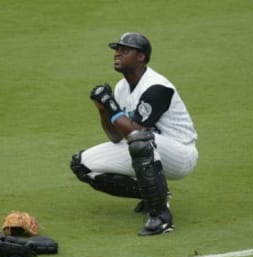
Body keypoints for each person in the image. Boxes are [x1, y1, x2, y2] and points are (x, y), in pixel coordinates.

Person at [70, 32, 198, 236]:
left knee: (139, 138)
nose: (117, 54)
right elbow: (116, 137)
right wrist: (103, 109)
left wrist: (110, 105)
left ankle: (161, 218)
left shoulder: (157, 87)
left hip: (180, 154)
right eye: (116, 50)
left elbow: (135, 131)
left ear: (141, 56)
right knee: (82, 165)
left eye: (124, 50)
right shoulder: (122, 88)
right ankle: (156, 195)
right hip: (150, 147)